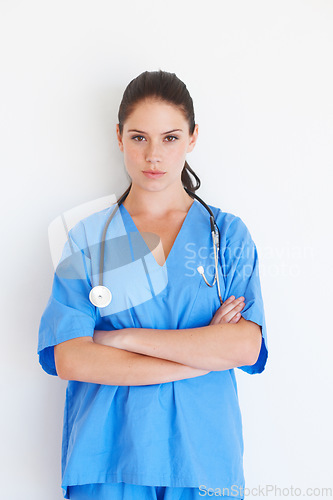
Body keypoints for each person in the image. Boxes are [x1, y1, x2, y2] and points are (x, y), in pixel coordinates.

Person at [37, 70, 268, 500]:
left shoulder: (227, 236)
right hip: (108, 456)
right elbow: (72, 358)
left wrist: (118, 338)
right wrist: (202, 356)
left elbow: (245, 347)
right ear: (119, 137)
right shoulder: (88, 240)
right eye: (140, 137)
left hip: (202, 458)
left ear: (193, 138)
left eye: (170, 137)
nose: (154, 155)